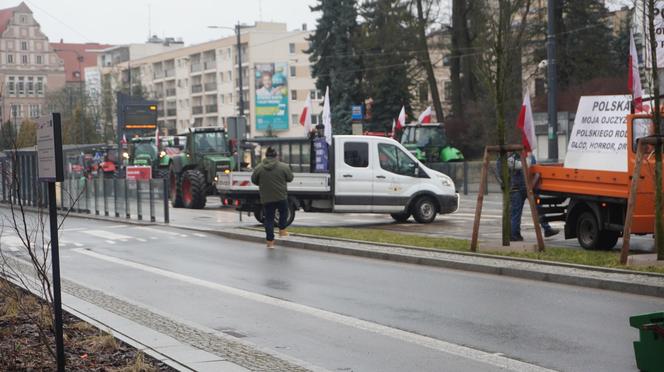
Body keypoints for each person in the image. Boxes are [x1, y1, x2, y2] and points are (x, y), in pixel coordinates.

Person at [498, 153, 559, 242]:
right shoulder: (528, 156)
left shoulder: (509, 157)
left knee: (516, 212)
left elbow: (501, 171)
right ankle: (546, 228)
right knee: (537, 209)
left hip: (516, 188)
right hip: (527, 186)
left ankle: (514, 234)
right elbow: (535, 170)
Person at [251, 147, 294, 248]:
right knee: (284, 212)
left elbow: (254, 180)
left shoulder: (259, 167)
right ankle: (282, 230)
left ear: (266, 156)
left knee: (269, 219)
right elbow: (290, 178)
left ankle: (270, 243)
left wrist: (262, 182)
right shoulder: (283, 166)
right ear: (276, 156)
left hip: (266, 197)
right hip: (281, 196)